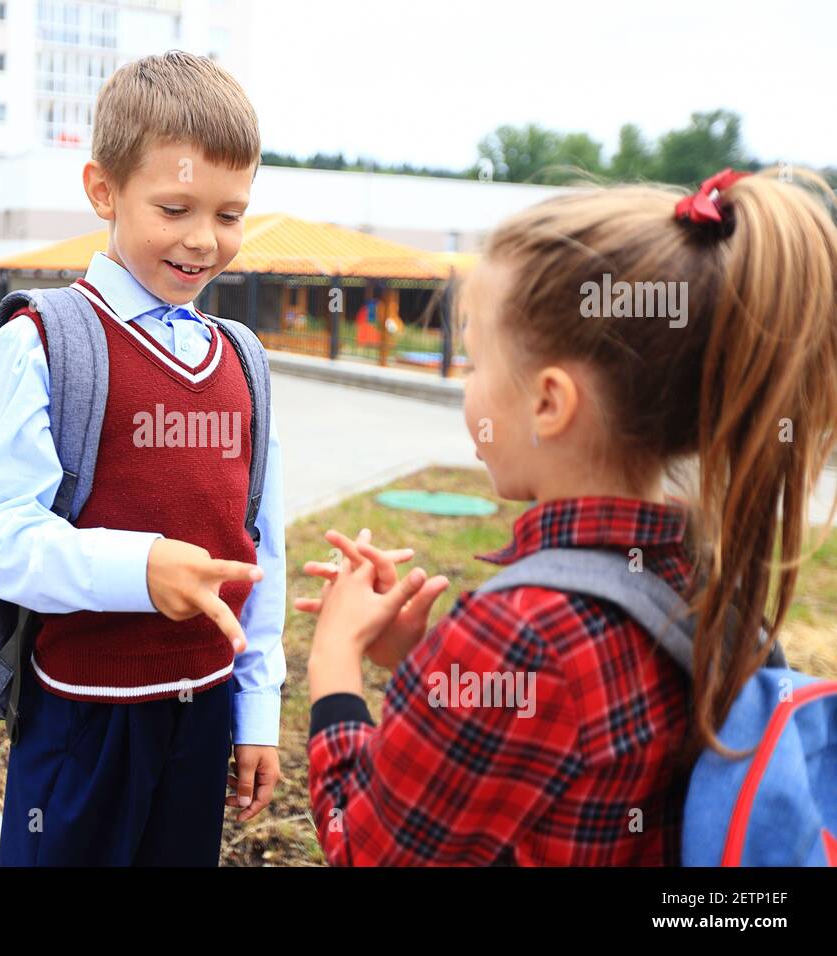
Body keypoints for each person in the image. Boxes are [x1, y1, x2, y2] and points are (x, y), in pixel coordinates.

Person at [300, 168, 837, 865]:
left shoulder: (519, 637)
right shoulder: (696, 571)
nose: (467, 386)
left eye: (474, 360)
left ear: (549, 402)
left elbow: (366, 852)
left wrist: (334, 661)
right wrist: (429, 674)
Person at [0, 51, 286, 866]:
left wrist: (257, 712)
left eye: (231, 214)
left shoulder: (243, 362)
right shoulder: (42, 343)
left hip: (202, 714)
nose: (205, 240)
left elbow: (259, 550)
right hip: (85, 723)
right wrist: (141, 570)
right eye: (174, 207)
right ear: (103, 190)